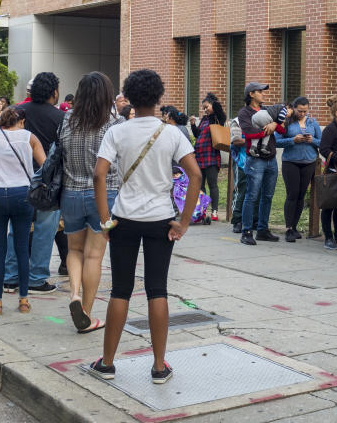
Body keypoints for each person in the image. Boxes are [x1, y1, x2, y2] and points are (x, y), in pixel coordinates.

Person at [89, 69, 201, 385]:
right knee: (157, 289)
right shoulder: (172, 133)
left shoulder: (117, 132)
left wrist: (105, 219)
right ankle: (158, 366)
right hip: (161, 220)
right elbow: (195, 175)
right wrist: (184, 221)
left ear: (129, 99)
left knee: (120, 290)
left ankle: (107, 363)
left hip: (124, 218)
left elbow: (99, 175)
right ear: (159, 98)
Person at [59, 72, 122, 334]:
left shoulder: (67, 121)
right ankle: (85, 312)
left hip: (70, 193)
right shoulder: (112, 124)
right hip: (103, 194)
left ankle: (74, 294)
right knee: (94, 255)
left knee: (74, 250)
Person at [0, 106, 46, 315]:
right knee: (21, 249)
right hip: (22, 195)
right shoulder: (30, 137)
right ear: (22, 121)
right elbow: (44, 166)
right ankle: (24, 301)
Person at [7, 71, 65, 294]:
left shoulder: (15, 113)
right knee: (44, 231)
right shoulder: (60, 118)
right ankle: (37, 277)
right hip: (47, 185)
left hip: (15, 181)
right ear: (54, 92)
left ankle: (10, 276)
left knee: (16, 229)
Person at [237, 83, 287, 246]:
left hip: (271, 159)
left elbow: (283, 130)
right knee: (252, 195)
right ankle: (246, 231)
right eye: (259, 92)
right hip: (255, 159)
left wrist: (275, 125)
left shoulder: (268, 111)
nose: (263, 94)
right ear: (251, 94)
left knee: (267, 196)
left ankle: (263, 230)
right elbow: (250, 133)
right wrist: (271, 127)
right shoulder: (244, 113)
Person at [276, 96, 321, 242]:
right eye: (300, 111)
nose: (302, 114)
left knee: (301, 195)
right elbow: (276, 141)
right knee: (292, 194)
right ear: (294, 108)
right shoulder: (286, 122)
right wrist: (292, 140)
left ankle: (295, 227)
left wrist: (311, 140)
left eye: (305, 111)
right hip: (291, 162)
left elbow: (322, 141)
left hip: (309, 162)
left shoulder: (312, 122)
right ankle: (288, 228)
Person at [318, 96, 337, 250]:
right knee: (329, 206)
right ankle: (328, 238)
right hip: (333, 171)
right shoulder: (331, 129)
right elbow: (324, 149)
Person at [189, 93, 226, 222]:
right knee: (200, 185)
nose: (205, 110)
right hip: (200, 156)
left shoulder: (217, 117)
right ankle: (202, 211)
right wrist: (193, 124)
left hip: (211, 156)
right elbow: (198, 134)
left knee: (212, 184)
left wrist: (213, 103)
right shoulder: (204, 119)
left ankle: (214, 211)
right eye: (203, 108)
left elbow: (220, 111)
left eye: (207, 107)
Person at [228, 116, 248, 231]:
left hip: (256, 159)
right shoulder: (238, 121)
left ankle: (252, 219)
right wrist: (252, 139)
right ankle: (237, 219)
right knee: (240, 189)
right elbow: (236, 140)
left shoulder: (261, 117)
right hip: (241, 160)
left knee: (254, 191)